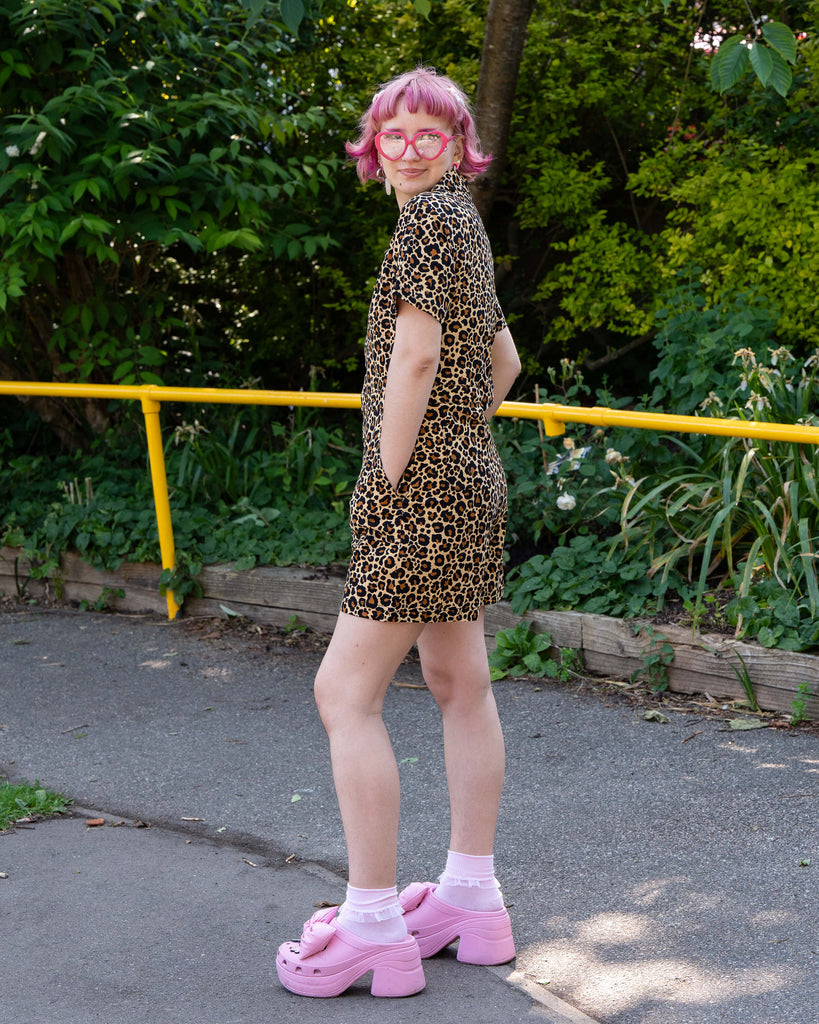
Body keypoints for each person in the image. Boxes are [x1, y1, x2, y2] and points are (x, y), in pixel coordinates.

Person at [276, 67, 521, 999]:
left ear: (459, 148)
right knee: (459, 683)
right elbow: (503, 362)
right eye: (395, 135)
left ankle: (373, 925)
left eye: (430, 135)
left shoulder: (425, 225)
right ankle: (471, 899)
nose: (410, 150)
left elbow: (417, 357)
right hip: (469, 483)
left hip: (417, 495)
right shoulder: (465, 226)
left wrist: (389, 475)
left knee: (343, 693)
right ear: (372, 148)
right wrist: (456, 446)